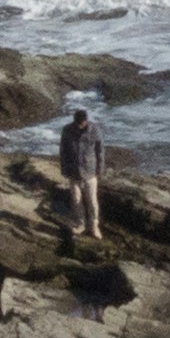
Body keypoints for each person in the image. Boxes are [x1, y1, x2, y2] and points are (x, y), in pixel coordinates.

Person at [58, 103, 105, 241]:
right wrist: (64, 169)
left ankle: (94, 226)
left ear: (86, 120)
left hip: (90, 171)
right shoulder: (67, 130)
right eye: (77, 123)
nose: (80, 126)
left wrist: (100, 169)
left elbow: (100, 150)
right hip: (73, 171)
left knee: (92, 201)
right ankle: (80, 224)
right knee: (76, 200)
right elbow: (63, 151)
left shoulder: (95, 129)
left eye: (82, 123)